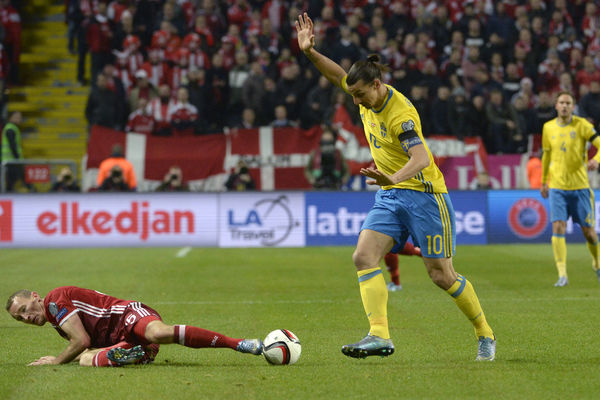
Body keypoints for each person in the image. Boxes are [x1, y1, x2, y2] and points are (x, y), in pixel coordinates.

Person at [296, 12, 495, 361]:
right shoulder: (363, 93)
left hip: (424, 195)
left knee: (442, 275)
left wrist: (394, 177)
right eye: (352, 95)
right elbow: (338, 75)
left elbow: (421, 157)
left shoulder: (400, 115)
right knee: (363, 256)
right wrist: (310, 52)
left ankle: (485, 334)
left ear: (376, 85)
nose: (355, 102)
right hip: (390, 194)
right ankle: (379, 335)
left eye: (360, 95)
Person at [5, 287, 263, 367]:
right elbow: (84, 345)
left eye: (24, 309)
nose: (26, 318)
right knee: (85, 359)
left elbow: (81, 341)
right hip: (121, 338)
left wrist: (57, 360)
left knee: (158, 333)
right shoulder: (57, 323)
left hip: (127, 315)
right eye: (20, 318)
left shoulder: (54, 301)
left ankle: (238, 344)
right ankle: (135, 352)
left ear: (35, 296)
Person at [540, 91, 600, 287]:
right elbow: (546, 155)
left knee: (589, 232)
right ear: (556, 105)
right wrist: (544, 181)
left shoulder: (582, 125)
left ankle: (597, 263)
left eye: (568, 103)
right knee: (558, 226)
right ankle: (562, 274)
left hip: (580, 187)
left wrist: (596, 160)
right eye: (562, 102)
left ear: (573, 107)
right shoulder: (548, 127)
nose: (565, 106)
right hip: (557, 187)